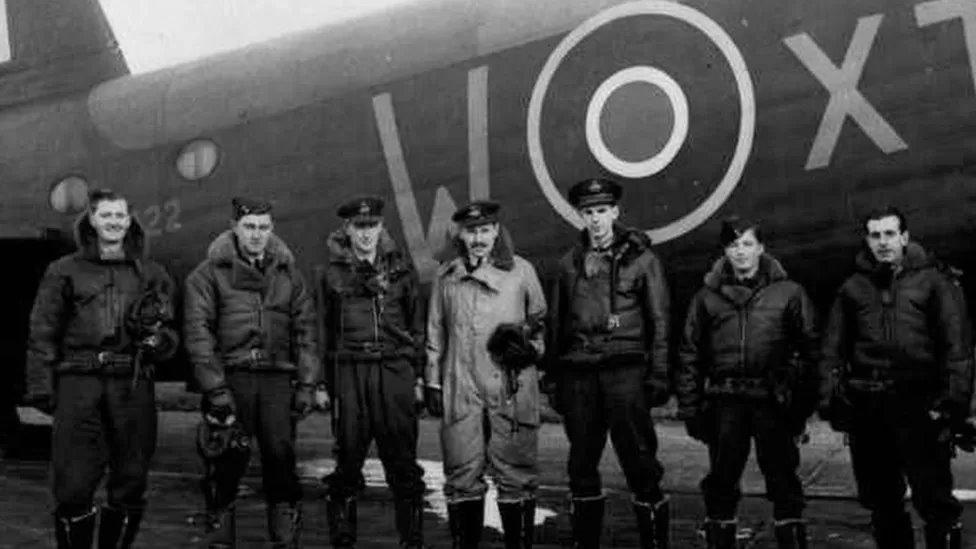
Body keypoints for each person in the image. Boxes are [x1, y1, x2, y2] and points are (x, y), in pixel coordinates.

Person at [25, 188, 178, 548]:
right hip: (80, 381)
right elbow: (43, 330)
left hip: (132, 382)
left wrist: (159, 343)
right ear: (92, 220)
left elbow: (170, 332)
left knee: (131, 481)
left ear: (129, 221)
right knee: (73, 484)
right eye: (106, 215)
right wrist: (42, 389)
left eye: (120, 216)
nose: (113, 222)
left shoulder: (152, 274)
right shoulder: (64, 271)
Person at [820, 206, 974, 548]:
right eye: (875, 235)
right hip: (869, 408)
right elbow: (832, 348)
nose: (883, 242)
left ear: (904, 237)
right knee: (882, 503)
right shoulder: (853, 288)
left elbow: (957, 348)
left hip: (920, 406)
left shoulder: (935, 282)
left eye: (890, 234)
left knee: (935, 503)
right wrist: (832, 400)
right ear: (867, 240)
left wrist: (953, 405)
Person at [184, 197, 321, 548]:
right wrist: (215, 390)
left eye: (263, 227)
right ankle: (220, 535)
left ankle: (284, 536)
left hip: (276, 378)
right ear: (234, 227)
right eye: (249, 227)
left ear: (271, 229)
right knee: (226, 459)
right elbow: (199, 335)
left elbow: (306, 331)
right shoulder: (207, 275)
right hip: (233, 376)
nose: (257, 234)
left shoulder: (290, 275)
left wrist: (307, 383)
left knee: (281, 459)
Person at [677, 217, 819, 548]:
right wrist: (690, 407)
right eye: (733, 245)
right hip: (725, 401)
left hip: (772, 402)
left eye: (747, 244)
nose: (740, 252)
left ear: (761, 248)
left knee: (784, 482)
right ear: (724, 251)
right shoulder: (706, 298)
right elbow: (689, 354)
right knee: (721, 483)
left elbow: (812, 350)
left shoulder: (789, 293)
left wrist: (801, 405)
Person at [546, 178, 671, 548]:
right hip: (581, 375)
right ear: (580, 216)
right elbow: (557, 324)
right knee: (581, 466)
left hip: (625, 373)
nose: (596, 220)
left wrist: (660, 375)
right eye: (588, 212)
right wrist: (554, 380)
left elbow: (660, 321)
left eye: (602, 211)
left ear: (615, 212)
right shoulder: (568, 264)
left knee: (641, 464)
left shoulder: (643, 260)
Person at [425, 200, 547, 548]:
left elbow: (540, 322)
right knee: (461, 475)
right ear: (460, 235)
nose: (478, 238)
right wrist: (433, 381)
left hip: (508, 385)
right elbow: (435, 331)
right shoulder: (446, 276)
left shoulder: (521, 272)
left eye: (484, 230)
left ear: (496, 231)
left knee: (516, 475)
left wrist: (530, 348)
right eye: (471, 231)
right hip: (461, 385)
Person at [318, 196, 426, 548]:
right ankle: (344, 538)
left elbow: (416, 325)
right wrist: (322, 382)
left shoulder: (402, 270)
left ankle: (411, 539)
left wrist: (419, 375)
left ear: (381, 227)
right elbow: (322, 329)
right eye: (359, 227)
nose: (366, 234)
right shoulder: (330, 274)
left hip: (394, 370)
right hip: (351, 371)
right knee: (348, 458)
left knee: (403, 462)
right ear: (347, 230)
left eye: (372, 226)